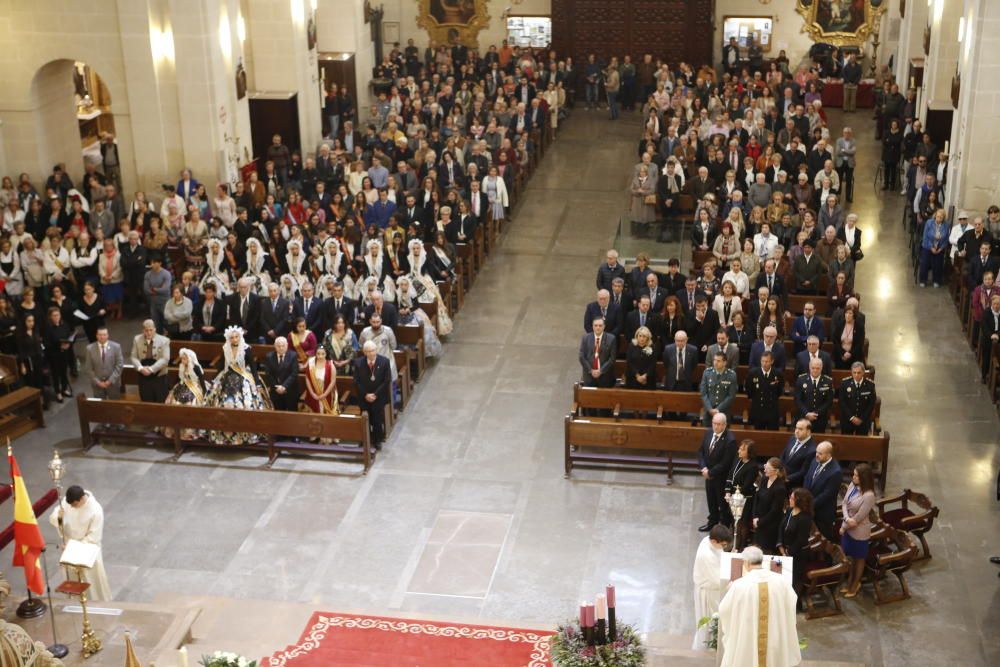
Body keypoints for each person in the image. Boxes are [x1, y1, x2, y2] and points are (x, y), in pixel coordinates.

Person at [204, 326, 271, 444]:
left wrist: (257, 382)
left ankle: (246, 434)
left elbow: (254, 367)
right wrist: (214, 379)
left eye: (236, 337)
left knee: (247, 403)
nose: (234, 339)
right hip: (227, 377)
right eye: (232, 338)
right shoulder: (225, 349)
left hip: (244, 376)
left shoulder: (246, 349)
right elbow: (221, 365)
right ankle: (224, 434)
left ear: (240, 337)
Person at [48, 485, 112, 601]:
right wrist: (58, 517)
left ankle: (97, 602)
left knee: (90, 580)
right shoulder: (68, 502)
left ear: (82, 499)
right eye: (70, 505)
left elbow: (94, 537)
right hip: (69, 547)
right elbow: (55, 516)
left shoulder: (95, 510)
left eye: (74, 505)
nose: (72, 507)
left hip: (87, 548)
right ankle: (75, 602)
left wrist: (72, 547)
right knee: (73, 582)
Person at [691, 524, 733, 650]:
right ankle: (707, 648)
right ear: (715, 541)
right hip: (708, 592)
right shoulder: (706, 555)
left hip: (711, 587)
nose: (724, 548)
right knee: (709, 621)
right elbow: (717, 581)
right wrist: (734, 583)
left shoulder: (707, 540)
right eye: (723, 545)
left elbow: (719, 557)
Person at [840, 463, 878, 598]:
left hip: (859, 531)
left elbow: (858, 518)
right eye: (854, 474)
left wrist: (844, 526)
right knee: (850, 557)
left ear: (864, 478)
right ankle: (849, 581)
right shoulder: (852, 485)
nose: (853, 477)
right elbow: (844, 503)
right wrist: (845, 519)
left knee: (859, 558)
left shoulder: (869, 495)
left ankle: (855, 584)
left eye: (856, 475)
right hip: (848, 525)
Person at [697, 413, 737, 532]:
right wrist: (703, 468)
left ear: (725, 425)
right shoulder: (709, 433)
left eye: (719, 424)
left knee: (722, 503)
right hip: (708, 474)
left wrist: (711, 472)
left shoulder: (730, 440)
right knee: (711, 500)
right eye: (714, 423)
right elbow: (701, 452)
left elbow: (726, 462)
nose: (716, 426)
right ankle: (712, 522)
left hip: (721, 477)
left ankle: (724, 527)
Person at [353, 340, 391, 448]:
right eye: (368, 351)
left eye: (373, 350)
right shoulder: (358, 363)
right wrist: (365, 394)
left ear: (376, 350)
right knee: (365, 419)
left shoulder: (384, 362)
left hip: (378, 397)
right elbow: (356, 381)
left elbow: (386, 380)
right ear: (364, 352)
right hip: (364, 397)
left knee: (377, 419)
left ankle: (377, 439)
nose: (371, 353)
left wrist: (375, 394)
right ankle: (365, 438)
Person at [778, 487, 815, 597]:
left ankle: (794, 602)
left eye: (792, 498)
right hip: (784, 549)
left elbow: (801, 539)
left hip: (798, 553)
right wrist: (780, 544)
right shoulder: (790, 510)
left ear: (799, 501)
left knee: (795, 579)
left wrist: (787, 552)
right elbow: (781, 526)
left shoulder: (805, 518)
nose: (789, 499)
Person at [163, 348, 206, 440]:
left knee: (190, 403)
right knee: (174, 402)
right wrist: (172, 388)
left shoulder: (196, 367)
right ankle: (176, 431)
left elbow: (201, 380)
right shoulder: (182, 366)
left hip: (194, 387)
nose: (183, 360)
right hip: (183, 385)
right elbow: (179, 378)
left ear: (190, 358)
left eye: (185, 359)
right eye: (182, 359)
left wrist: (205, 392)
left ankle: (189, 432)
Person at [803, 441, 842, 542]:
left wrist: (808, 505)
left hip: (823, 513)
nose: (817, 455)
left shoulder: (835, 472)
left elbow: (827, 495)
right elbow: (807, 478)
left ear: (829, 455)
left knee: (823, 541)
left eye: (820, 453)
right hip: (809, 506)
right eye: (817, 452)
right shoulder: (815, 461)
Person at [725, 439, 760, 550]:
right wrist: (727, 491)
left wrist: (732, 494)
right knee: (734, 521)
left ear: (749, 452)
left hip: (744, 499)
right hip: (733, 497)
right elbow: (731, 475)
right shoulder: (738, 460)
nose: (739, 450)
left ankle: (740, 546)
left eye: (742, 449)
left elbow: (746, 486)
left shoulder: (753, 466)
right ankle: (734, 542)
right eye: (740, 448)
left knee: (742, 524)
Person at [129, 319, 170, 403]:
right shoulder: (137, 339)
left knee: (160, 401)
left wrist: (151, 369)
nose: (149, 333)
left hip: (159, 376)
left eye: (151, 330)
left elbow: (165, 359)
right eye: (146, 330)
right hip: (143, 376)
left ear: (155, 329)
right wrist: (140, 368)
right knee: (146, 401)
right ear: (143, 330)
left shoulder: (164, 340)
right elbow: (133, 357)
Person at [752, 457, 788, 553]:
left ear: (776, 471)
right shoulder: (764, 479)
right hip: (759, 519)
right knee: (757, 547)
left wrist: (760, 522)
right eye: (765, 467)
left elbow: (775, 511)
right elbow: (757, 498)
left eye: (767, 468)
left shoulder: (780, 488)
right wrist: (755, 516)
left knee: (765, 550)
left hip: (770, 525)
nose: (764, 470)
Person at [745, 351, 783, 430]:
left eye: (767, 361)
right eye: (762, 361)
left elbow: (779, 391)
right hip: (758, 410)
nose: (764, 364)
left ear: (772, 361)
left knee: (773, 436)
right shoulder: (753, 373)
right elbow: (749, 390)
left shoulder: (777, 374)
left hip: (772, 411)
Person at [85, 326, 123, 406]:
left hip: (113, 383)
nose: (102, 337)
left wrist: (110, 381)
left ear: (108, 335)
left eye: (104, 334)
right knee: (100, 407)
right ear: (96, 335)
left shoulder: (116, 347)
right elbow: (89, 368)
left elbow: (119, 366)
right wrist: (98, 382)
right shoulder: (90, 349)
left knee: (115, 406)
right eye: (100, 335)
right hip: (97, 385)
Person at [43, 306, 74, 401]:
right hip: (53, 355)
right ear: (50, 317)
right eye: (54, 315)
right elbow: (46, 343)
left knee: (64, 372)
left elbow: (70, 335)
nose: (57, 317)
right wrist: (59, 346)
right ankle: (58, 392)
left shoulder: (64, 324)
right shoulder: (47, 328)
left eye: (58, 315)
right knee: (56, 374)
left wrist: (69, 344)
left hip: (64, 353)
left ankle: (64, 389)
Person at [795, 357, 834, 433]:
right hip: (804, 417)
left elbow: (829, 401)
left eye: (817, 368)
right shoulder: (801, 379)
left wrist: (816, 414)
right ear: (809, 367)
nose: (815, 370)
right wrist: (806, 413)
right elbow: (797, 399)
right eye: (813, 368)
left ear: (821, 368)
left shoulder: (828, 381)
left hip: (820, 418)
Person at [700, 352, 737, 425]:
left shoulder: (731, 375)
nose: (715, 363)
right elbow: (703, 393)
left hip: (723, 411)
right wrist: (710, 409)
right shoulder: (707, 373)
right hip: (708, 411)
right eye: (714, 360)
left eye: (718, 361)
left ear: (725, 363)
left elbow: (731, 395)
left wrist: (718, 409)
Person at [263, 336, 299, 412]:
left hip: (290, 390)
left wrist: (284, 386)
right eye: (278, 346)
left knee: (292, 413)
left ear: (287, 345)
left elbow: (294, 373)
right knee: (278, 413)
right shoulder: (269, 356)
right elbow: (268, 374)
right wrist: (277, 387)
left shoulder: (293, 356)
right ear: (275, 346)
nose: (281, 348)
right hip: (276, 391)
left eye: (283, 346)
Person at [579, 317, 616, 388]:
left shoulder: (611, 339)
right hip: (589, 376)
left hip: (605, 377)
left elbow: (612, 358)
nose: (598, 328)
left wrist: (601, 371)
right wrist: (590, 370)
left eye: (600, 325)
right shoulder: (585, 338)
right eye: (595, 325)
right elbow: (581, 356)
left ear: (604, 326)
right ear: (592, 326)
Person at [303, 345, 339, 415]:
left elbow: (333, 381)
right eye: (318, 354)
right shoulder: (311, 364)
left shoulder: (331, 365)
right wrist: (312, 393)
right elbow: (307, 378)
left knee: (326, 416)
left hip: (327, 394)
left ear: (326, 354)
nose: (320, 356)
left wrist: (324, 395)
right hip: (313, 394)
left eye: (323, 354)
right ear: (315, 354)